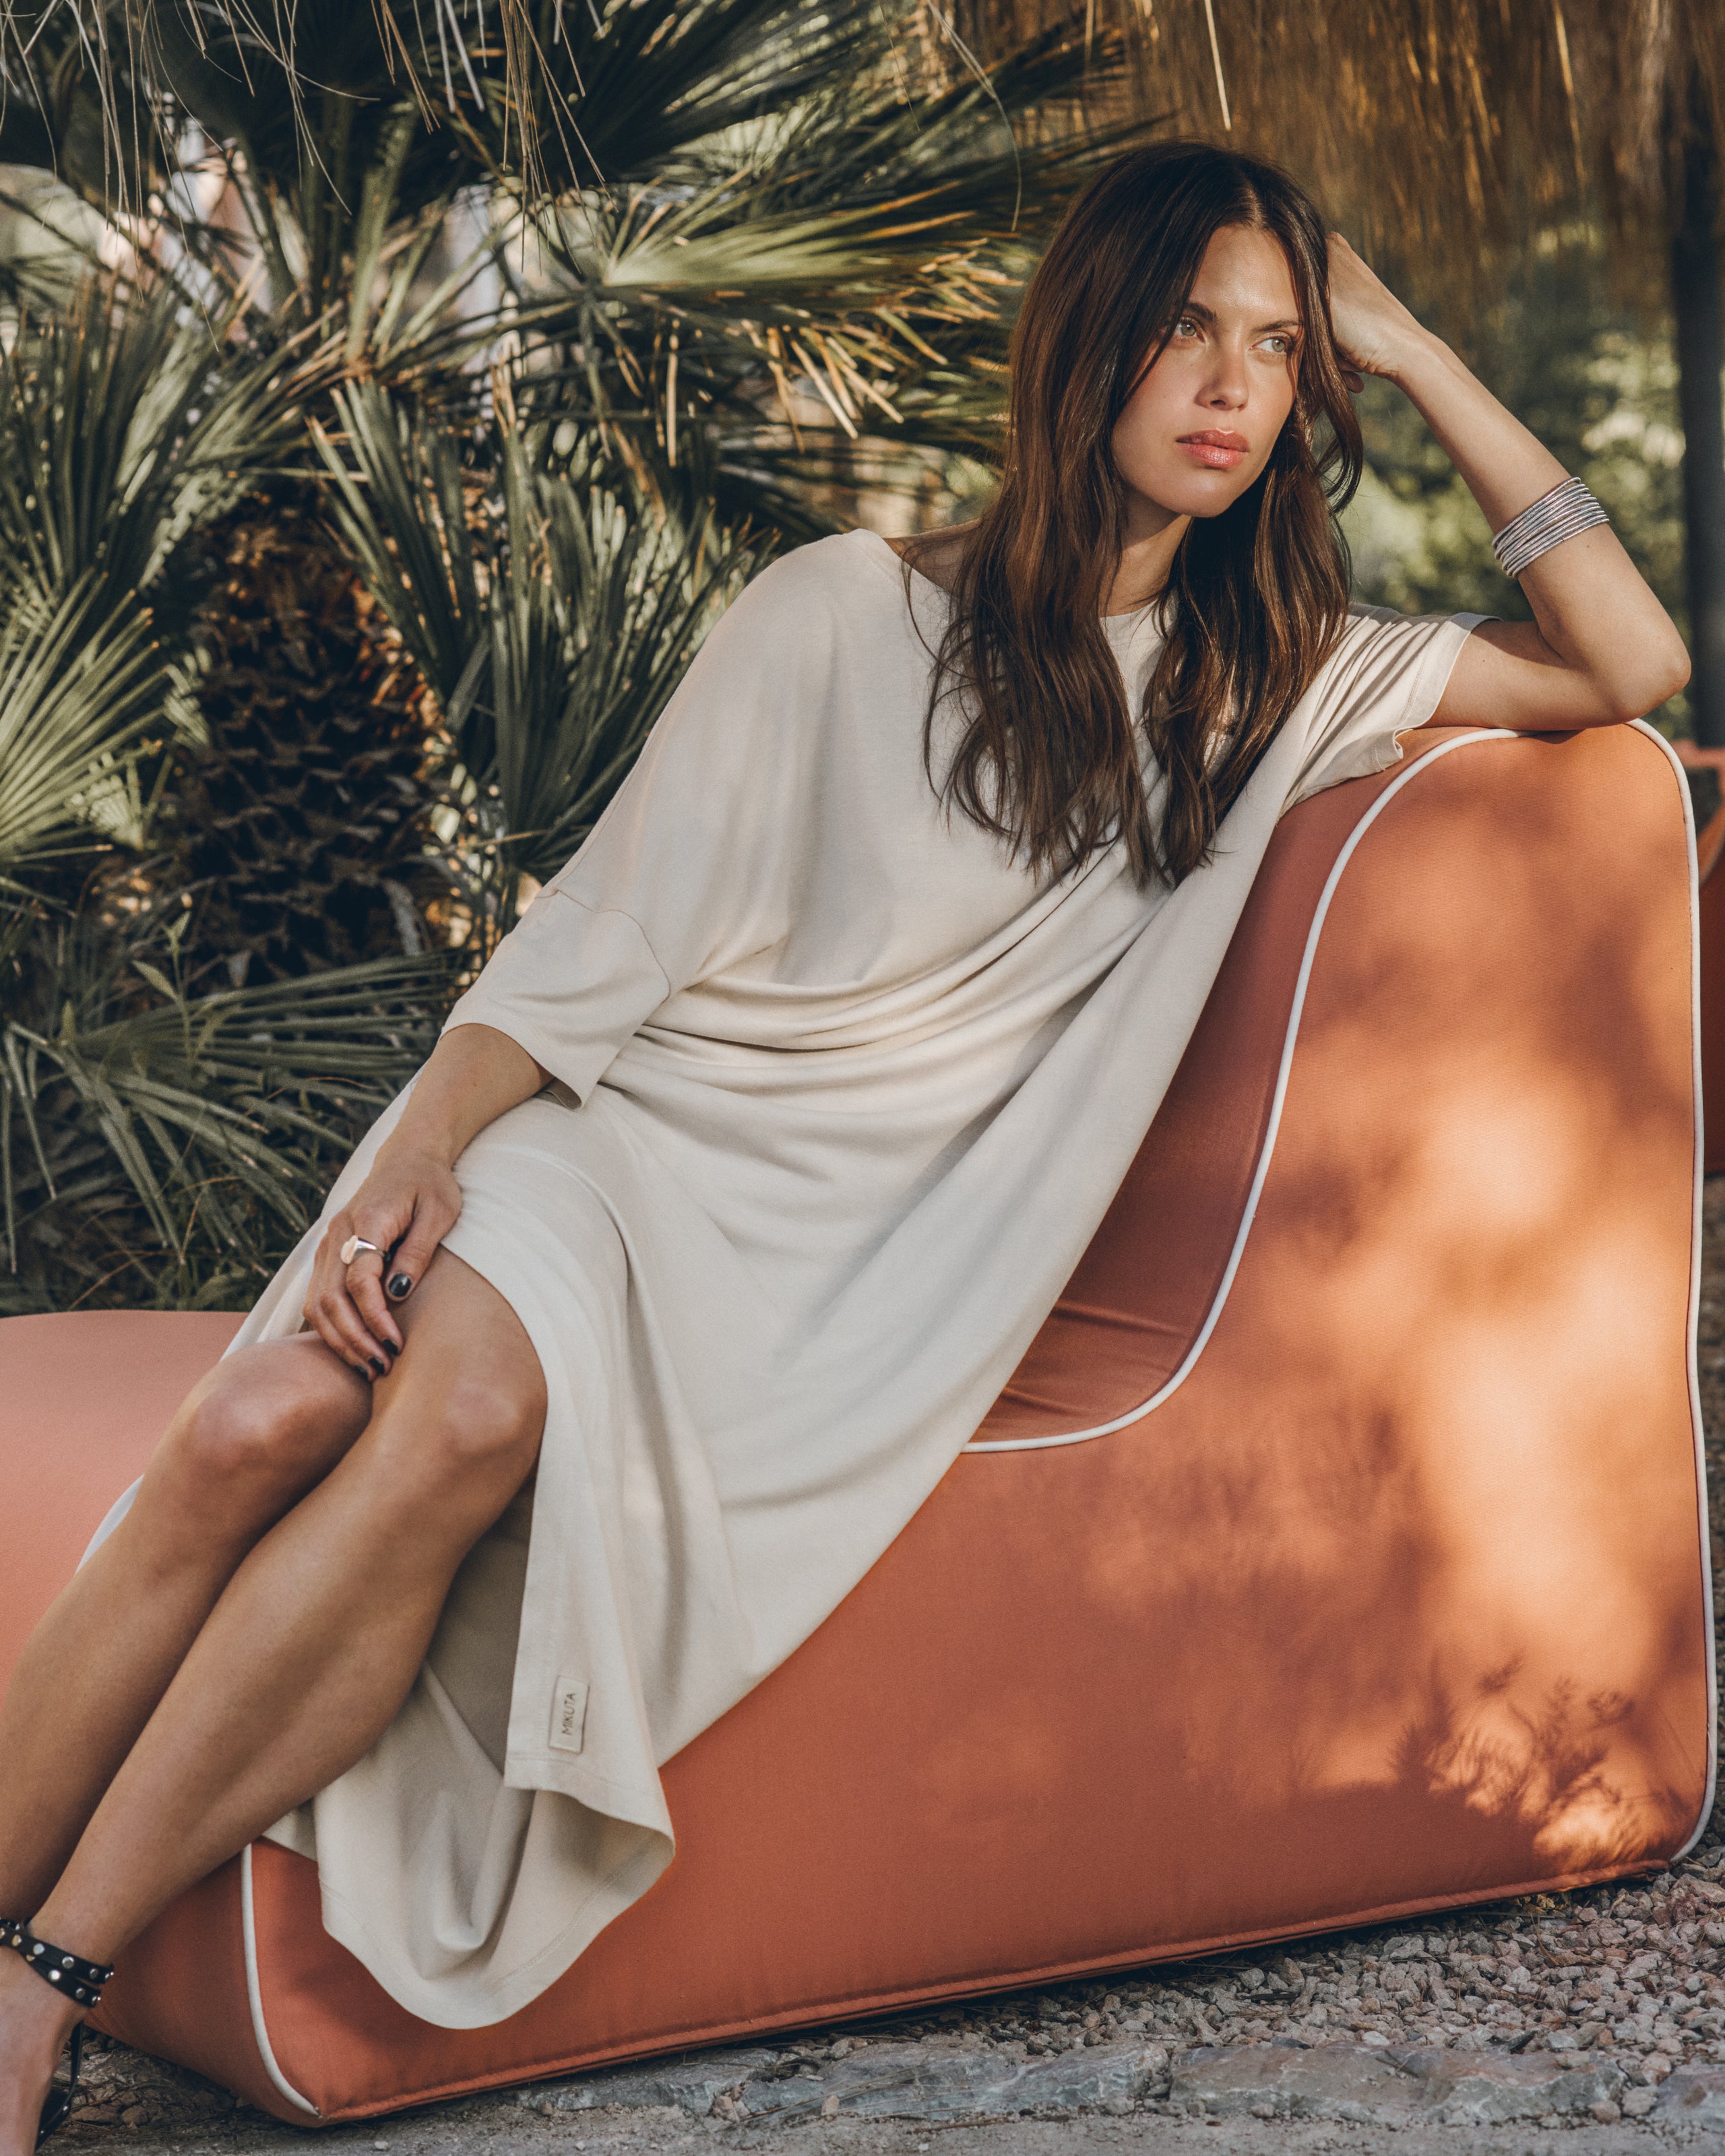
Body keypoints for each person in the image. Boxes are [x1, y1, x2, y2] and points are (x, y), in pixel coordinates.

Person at [0, 139, 1689, 2149]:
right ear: (1086, 352)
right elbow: (607, 937)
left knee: (346, 1438)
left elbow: (1632, 664)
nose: (1232, 388)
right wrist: (426, 1151)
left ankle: (36, 1982)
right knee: (328, 1429)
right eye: (1180, 332)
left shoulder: (1276, 687)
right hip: (623, 1160)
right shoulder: (837, 610)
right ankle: (38, 1983)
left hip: (835, 1264)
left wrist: (1405, 348)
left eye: (1273, 346)